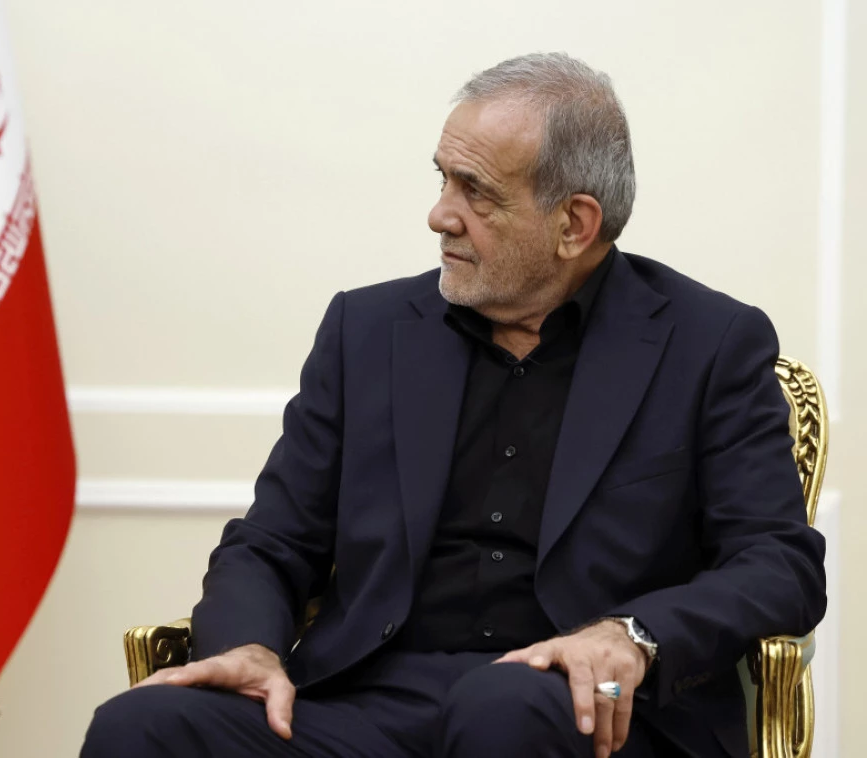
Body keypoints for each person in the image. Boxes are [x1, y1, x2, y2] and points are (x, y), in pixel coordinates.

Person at [80, 52, 826, 758]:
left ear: (574, 225)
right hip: (369, 706)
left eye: (476, 192)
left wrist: (632, 635)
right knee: (142, 725)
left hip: (579, 711)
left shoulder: (707, 343)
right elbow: (273, 541)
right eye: (442, 179)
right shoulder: (367, 332)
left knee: (502, 707)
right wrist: (247, 644)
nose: (440, 214)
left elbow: (778, 564)